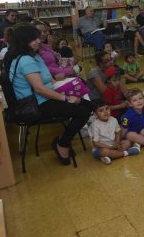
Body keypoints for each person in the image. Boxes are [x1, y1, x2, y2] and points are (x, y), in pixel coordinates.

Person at [8, 24, 92, 165]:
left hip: (46, 97)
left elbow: (48, 81)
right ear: (23, 42)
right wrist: (66, 98)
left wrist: (65, 90)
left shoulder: (30, 56)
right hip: (38, 104)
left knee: (89, 105)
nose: (39, 41)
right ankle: (62, 144)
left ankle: (64, 140)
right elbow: (40, 89)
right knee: (82, 112)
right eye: (33, 39)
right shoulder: (26, 60)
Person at [88, 100, 139, 165]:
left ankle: (111, 156)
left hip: (113, 144)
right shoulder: (95, 125)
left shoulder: (113, 119)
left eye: (107, 108)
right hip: (101, 148)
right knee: (105, 151)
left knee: (127, 142)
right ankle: (127, 153)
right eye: (101, 110)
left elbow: (118, 132)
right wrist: (112, 147)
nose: (105, 112)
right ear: (95, 114)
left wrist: (117, 142)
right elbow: (96, 143)